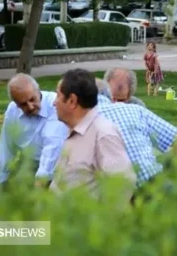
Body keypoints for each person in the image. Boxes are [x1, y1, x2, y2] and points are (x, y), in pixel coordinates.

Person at [50, 69, 136, 200]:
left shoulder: (103, 134)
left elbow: (122, 185)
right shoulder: (76, 131)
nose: (54, 102)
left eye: (58, 96)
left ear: (72, 101)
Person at [95, 79, 177, 188]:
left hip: (115, 191)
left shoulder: (79, 119)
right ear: (111, 96)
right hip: (153, 185)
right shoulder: (136, 110)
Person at [0, 73, 68, 187]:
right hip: (31, 162)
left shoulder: (55, 105)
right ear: (16, 104)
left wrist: (40, 184)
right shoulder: (12, 110)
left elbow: (52, 146)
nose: (30, 107)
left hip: (60, 164)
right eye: (23, 104)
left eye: (32, 99)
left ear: (38, 90)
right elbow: (6, 147)